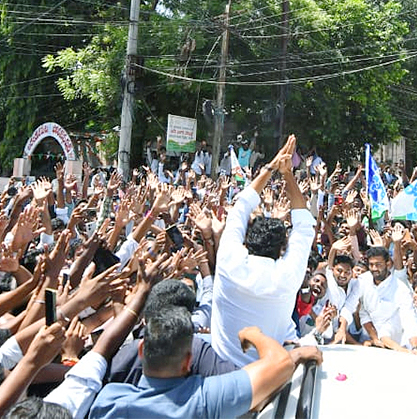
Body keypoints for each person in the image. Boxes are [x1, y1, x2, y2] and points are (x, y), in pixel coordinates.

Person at [90, 307, 316, 419]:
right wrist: (253, 333)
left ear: (141, 350)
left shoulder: (108, 401)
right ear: (188, 361)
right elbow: (280, 363)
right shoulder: (203, 400)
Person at [211, 136, 315, 366]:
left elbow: (240, 207)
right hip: (267, 378)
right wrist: (287, 174)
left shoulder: (229, 260)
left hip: (217, 370)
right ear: (282, 250)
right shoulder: (287, 276)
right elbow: (305, 226)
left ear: (246, 241)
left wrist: (271, 166)